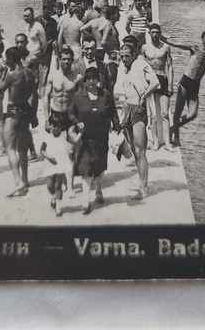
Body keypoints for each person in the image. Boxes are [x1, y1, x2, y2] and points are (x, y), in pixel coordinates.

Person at [69, 67, 121, 214]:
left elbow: (113, 113)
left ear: (98, 80)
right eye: (89, 78)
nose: (92, 81)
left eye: (94, 78)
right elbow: (70, 113)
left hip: (101, 138)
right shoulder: (78, 96)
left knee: (99, 168)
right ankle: (86, 202)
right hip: (85, 139)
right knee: (85, 169)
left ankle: (98, 189)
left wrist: (117, 127)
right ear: (85, 81)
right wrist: (76, 121)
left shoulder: (105, 95)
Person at [114, 39, 160, 200]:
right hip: (126, 108)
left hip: (139, 109)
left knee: (140, 150)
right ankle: (141, 181)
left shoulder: (141, 64)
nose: (123, 59)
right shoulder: (123, 67)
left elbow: (155, 82)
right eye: (121, 56)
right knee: (133, 150)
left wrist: (144, 97)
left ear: (134, 55)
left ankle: (144, 187)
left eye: (126, 56)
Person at [0, 47, 39, 198]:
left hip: (13, 112)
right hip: (26, 111)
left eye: (7, 58)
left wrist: (2, 72)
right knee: (23, 149)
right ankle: (26, 180)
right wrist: (34, 115)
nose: (6, 61)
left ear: (12, 59)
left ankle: (18, 182)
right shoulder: (30, 73)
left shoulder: (12, 75)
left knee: (10, 148)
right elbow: (34, 96)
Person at [163, 30, 205, 148]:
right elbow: (179, 45)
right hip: (185, 82)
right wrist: (165, 41)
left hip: (195, 86)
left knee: (193, 114)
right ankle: (176, 139)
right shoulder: (195, 48)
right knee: (177, 113)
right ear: (202, 39)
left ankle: (172, 128)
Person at [141, 23, 173, 150]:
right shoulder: (144, 48)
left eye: (157, 32)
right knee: (153, 115)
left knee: (164, 113)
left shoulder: (165, 47)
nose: (155, 35)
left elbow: (170, 66)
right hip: (150, 81)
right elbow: (141, 66)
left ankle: (167, 142)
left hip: (162, 78)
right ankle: (155, 141)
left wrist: (170, 84)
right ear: (149, 33)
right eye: (152, 32)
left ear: (160, 33)